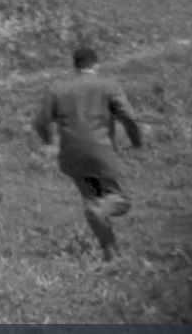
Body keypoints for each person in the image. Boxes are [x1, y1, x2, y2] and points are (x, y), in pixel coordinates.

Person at [33, 46, 144, 261]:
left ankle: (111, 254)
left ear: (75, 66)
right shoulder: (107, 86)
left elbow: (40, 122)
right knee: (119, 201)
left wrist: (49, 142)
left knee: (92, 201)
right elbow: (130, 117)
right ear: (96, 65)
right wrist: (137, 142)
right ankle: (101, 217)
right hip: (101, 153)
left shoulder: (57, 89)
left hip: (72, 157)